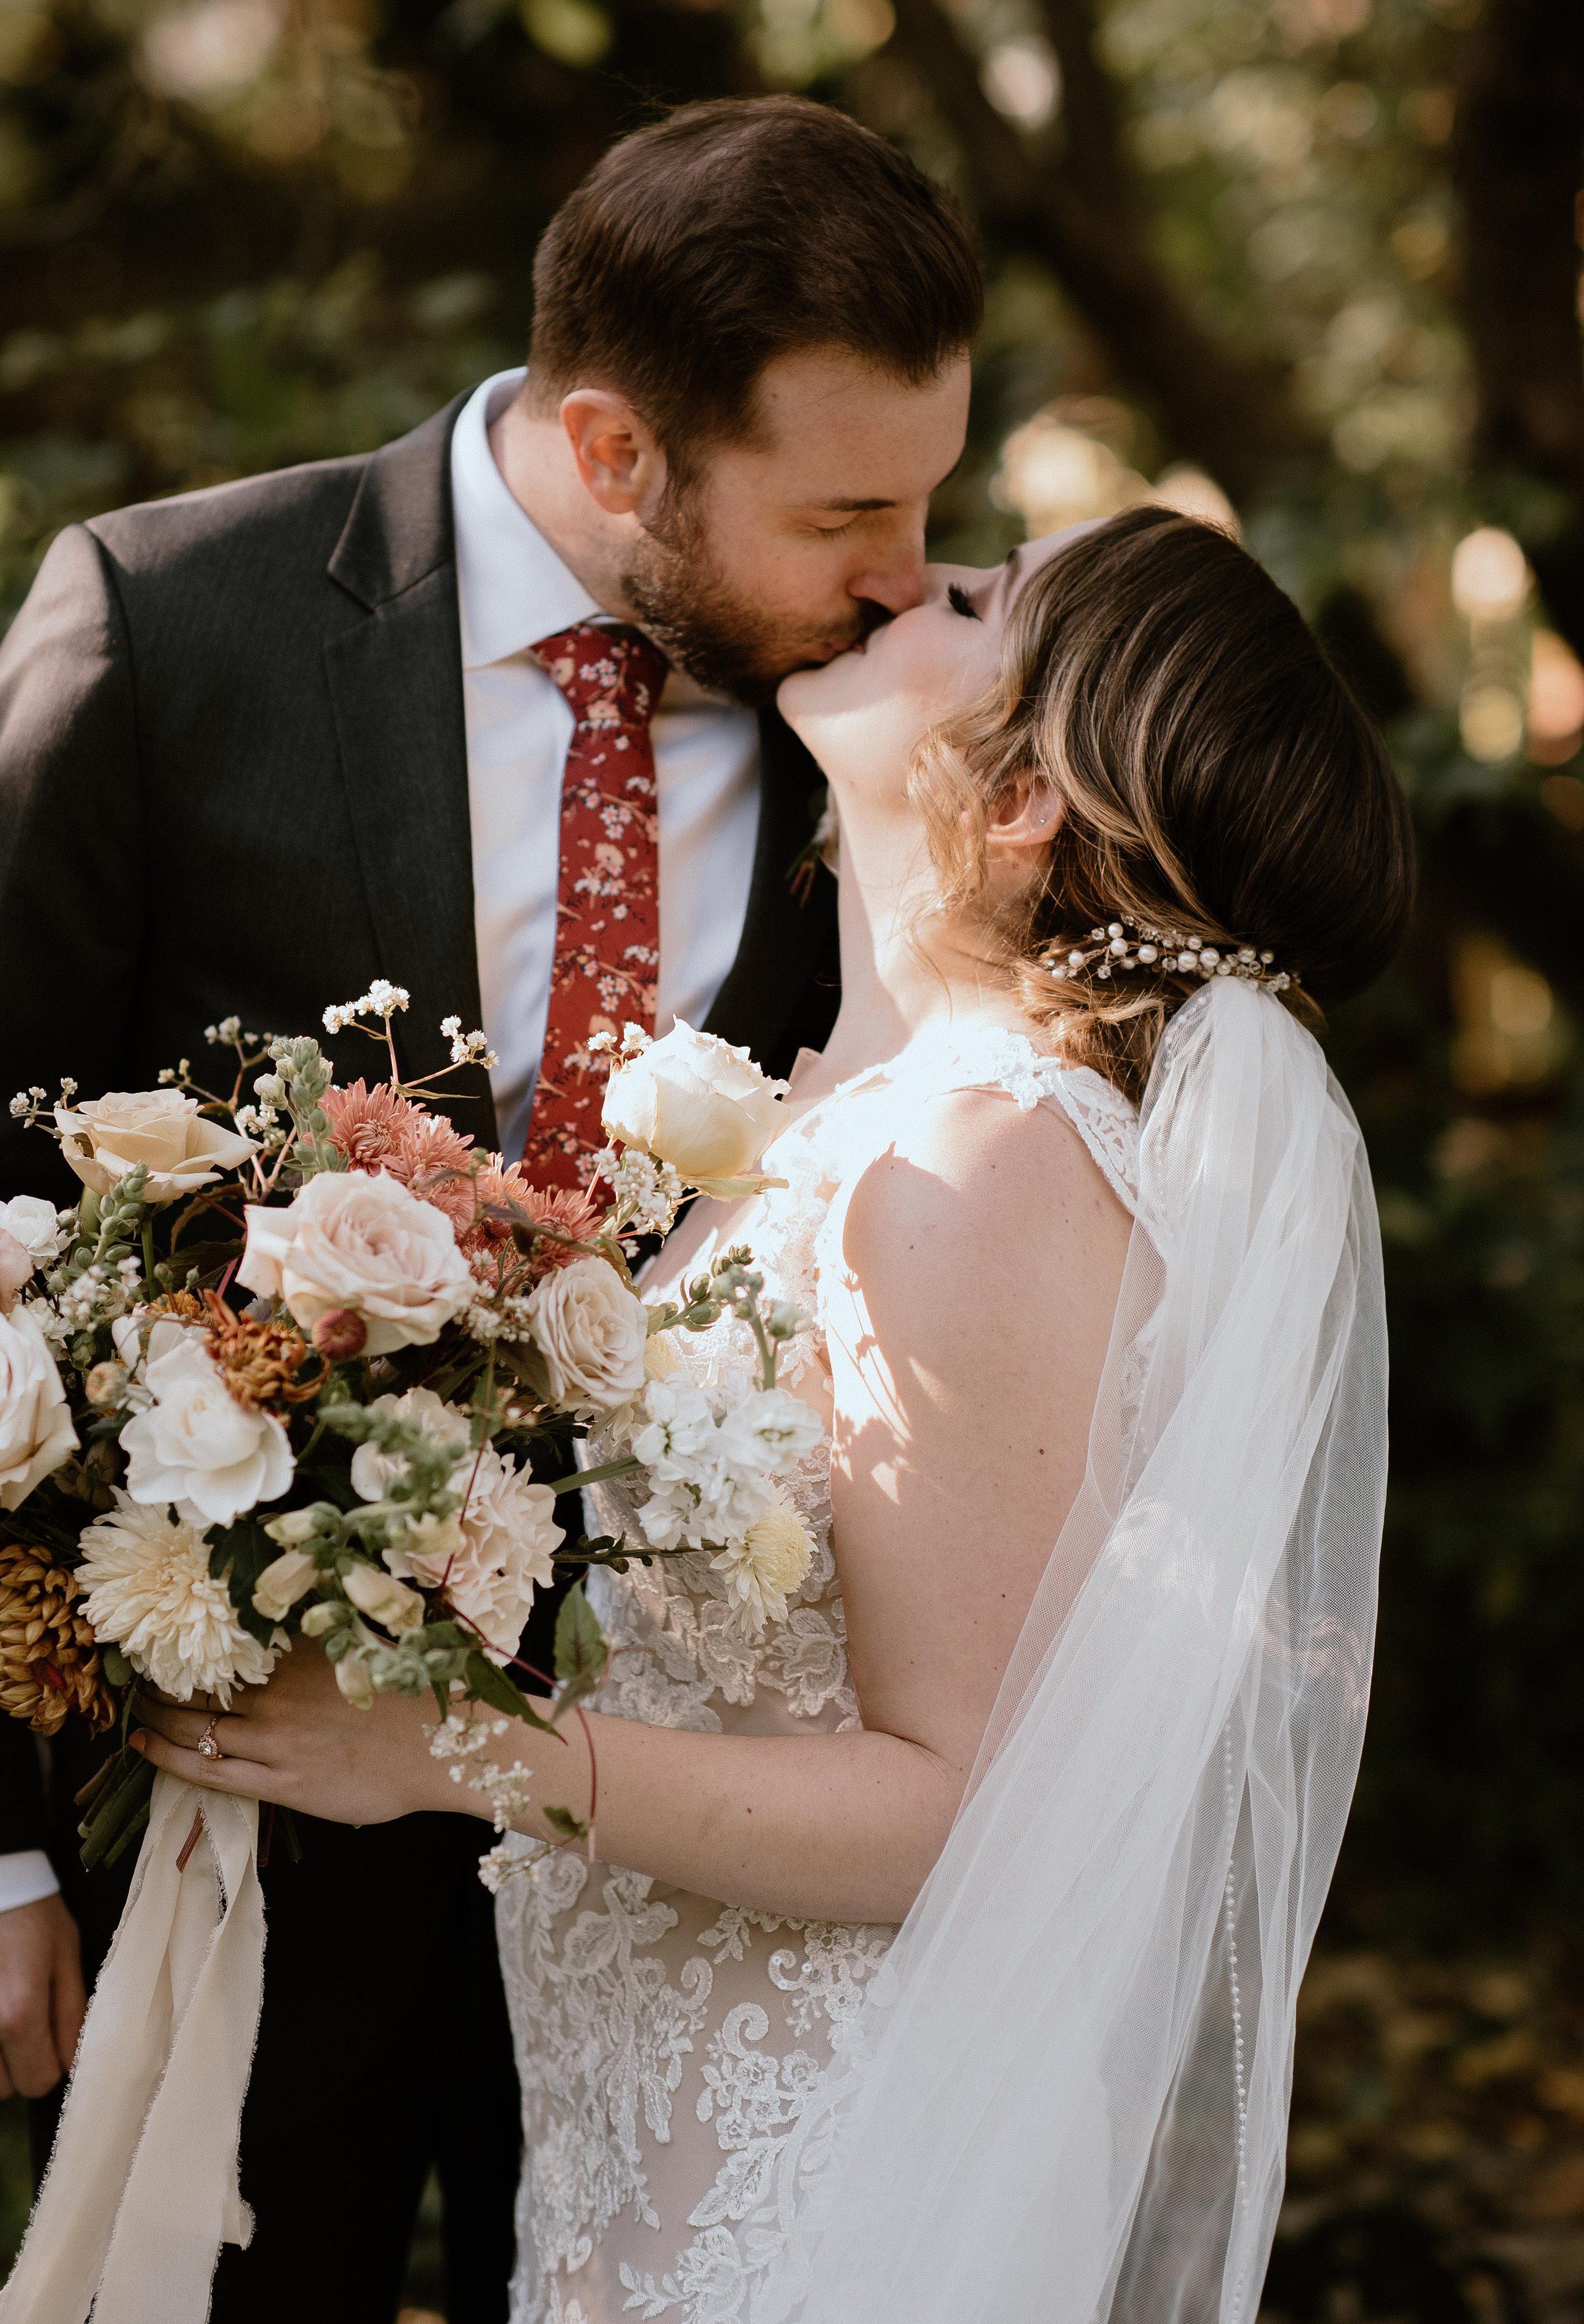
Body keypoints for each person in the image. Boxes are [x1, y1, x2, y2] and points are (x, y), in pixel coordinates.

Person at [0, 96, 984, 2324]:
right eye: (849, 508)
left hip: (706, 1836)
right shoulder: (167, 629)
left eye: (929, 497)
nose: (907, 571)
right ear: (616, 445)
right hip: (241, 1796)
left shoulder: (911, 698)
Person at [136, 504, 1416, 2324]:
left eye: (977, 597)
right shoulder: (852, 1107)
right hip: (644, 2127)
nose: (909, 576)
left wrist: (446, 1754)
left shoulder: (987, 1161)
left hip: (826, 2170)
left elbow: (959, 1804)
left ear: (1032, 794)